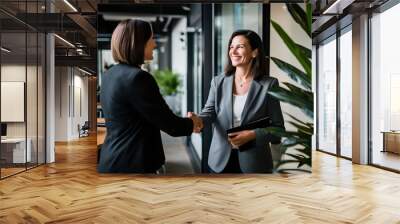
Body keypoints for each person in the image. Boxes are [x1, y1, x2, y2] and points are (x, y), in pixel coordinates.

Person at [98, 19, 203, 173]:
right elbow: (170, 125)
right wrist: (193, 122)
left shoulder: (109, 74)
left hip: (111, 159)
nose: (154, 44)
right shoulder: (139, 78)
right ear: (139, 43)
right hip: (134, 165)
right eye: (151, 39)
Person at [189, 30, 284, 173]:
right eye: (231, 47)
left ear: (254, 52)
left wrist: (252, 135)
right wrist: (198, 120)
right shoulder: (218, 82)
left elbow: (278, 129)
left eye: (240, 46)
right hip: (220, 160)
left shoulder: (269, 85)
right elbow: (209, 113)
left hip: (255, 163)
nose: (233, 51)